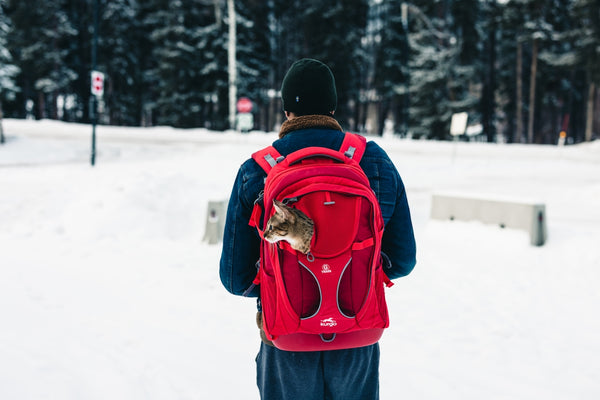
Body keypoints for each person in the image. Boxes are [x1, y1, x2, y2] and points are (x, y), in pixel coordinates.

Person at [219, 58, 416, 400]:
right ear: (333, 106)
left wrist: (276, 282)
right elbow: (404, 260)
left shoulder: (257, 170)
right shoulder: (374, 160)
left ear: (286, 111)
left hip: (287, 337)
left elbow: (235, 279)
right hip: (357, 333)